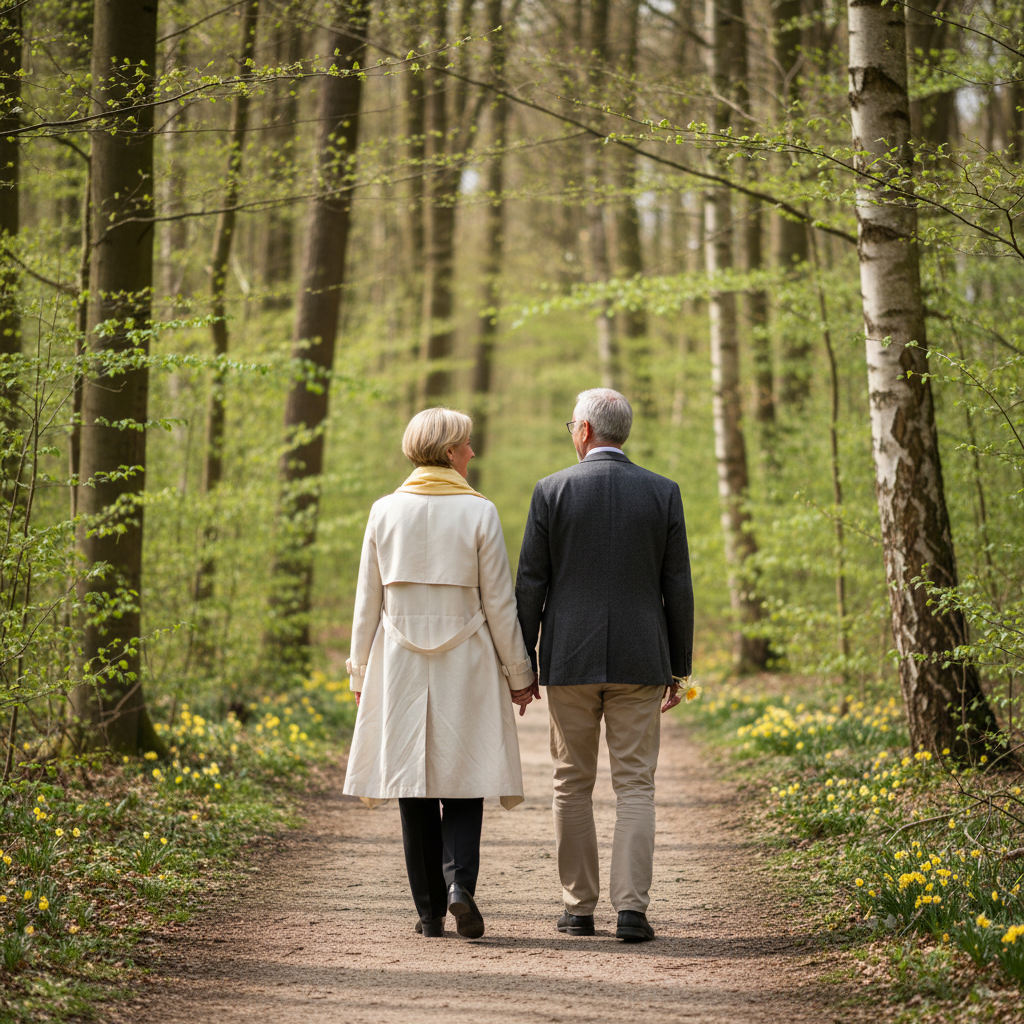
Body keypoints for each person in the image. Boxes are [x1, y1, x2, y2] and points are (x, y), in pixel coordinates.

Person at [343, 407, 537, 939]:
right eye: (468, 444)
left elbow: (367, 602)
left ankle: (428, 913)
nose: (473, 452)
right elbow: (500, 602)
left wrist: (359, 673)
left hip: (400, 660)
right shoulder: (480, 513)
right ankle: (460, 887)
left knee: (414, 784)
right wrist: (520, 672)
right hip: (468, 658)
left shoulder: (384, 511)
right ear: (450, 451)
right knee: (466, 777)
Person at [514, 388, 693, 943]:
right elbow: (677, 586)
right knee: (636, 785)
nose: (571, 432)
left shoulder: (552, 491)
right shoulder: (663, 492)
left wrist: (522, 665)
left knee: (571, 783)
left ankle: (578, 909)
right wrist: (679, 666)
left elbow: (530, 585)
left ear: (586, 431)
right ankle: (632, 913)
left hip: (569, 657)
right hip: (643, 657)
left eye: (572, 424)